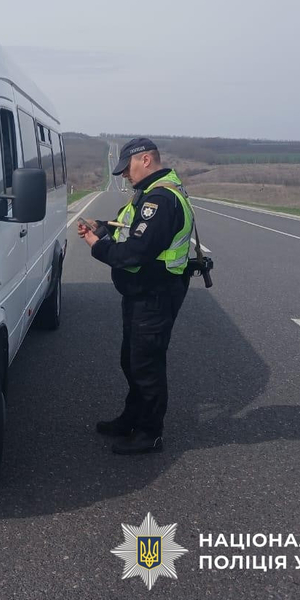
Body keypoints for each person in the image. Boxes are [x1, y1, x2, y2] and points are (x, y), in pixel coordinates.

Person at [78, 137, 194, 455]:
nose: (125, 176)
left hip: (155, 295)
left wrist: (94, 243)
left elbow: (136, 251)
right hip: (141, 293)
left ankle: (149, 433)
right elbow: (126, 228)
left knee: (146, 366)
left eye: (127, 168)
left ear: (145, 160)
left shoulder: (161, 199)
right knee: (131, 361)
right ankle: (131, 418)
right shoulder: (146, 196)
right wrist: (102, 227)